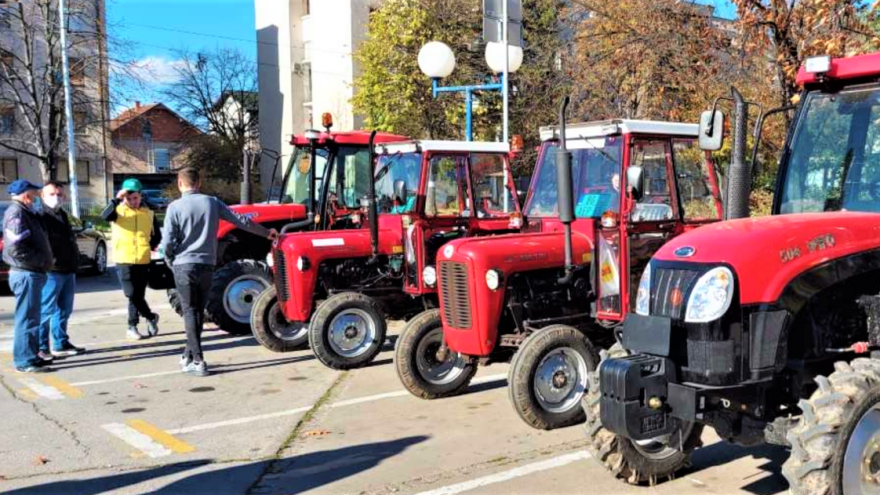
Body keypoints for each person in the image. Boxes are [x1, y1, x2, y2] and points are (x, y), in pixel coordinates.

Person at [161, 168, 277, 377]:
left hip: (183, 266)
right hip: (207, 265)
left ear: (180, 184)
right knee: (197, 311)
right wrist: (266, 233)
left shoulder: (174, 207)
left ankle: (197, 360)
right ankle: (188, 355)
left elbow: (168, 241)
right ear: (200, 182)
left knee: (190, 311)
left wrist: (170, 260)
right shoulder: (212, 203)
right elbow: (241, 220)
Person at [101, 178, 162, 341]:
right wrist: (116, 199)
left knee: (138, 295)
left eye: (135, 198)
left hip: (143, 259)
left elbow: (157, 235)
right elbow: (104, 215)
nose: (132, 201)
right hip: (124, 259)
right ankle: (150, 316)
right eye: (129, 198)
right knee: (131, 293)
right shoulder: (117, 211)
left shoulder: (149, 213)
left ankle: (132, 326)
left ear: (141, 196)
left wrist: (149, 246)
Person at [2, 180, 53, 373]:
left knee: (32, 317)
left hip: (31, 272)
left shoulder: (26, 212)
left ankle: (32, 356)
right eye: (34, 192)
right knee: (27, 319)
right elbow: (16, 248)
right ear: (25, 194)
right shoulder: (17, 213)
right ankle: (24, 361)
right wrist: (40, 261)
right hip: (27, 273)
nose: (37, 195)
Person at [38, 182, 85, 359]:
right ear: (43, 196)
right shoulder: (41, 216)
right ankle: (42, 347)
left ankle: (60, 342)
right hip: (52, 270)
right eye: (52, 194)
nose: (56, 197)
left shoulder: (62, 214)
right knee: (46, 310)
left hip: (68, 268)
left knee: (64, 310)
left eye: (59, 194)